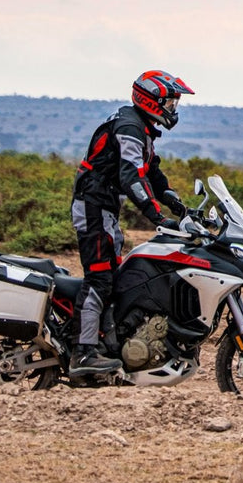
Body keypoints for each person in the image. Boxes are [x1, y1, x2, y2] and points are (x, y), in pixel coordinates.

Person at [68, 70, 194, 376]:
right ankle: (83, 353)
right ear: (150, 100)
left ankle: (109, 341)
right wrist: (157, 217)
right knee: (100, 277)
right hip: (93, 206)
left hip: (105, 208)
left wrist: (176, 203)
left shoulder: (141, 128)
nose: (172, 108)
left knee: (118, 276)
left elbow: (151, 171)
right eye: (170, 102)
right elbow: (131, 177)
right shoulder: (128, 127)